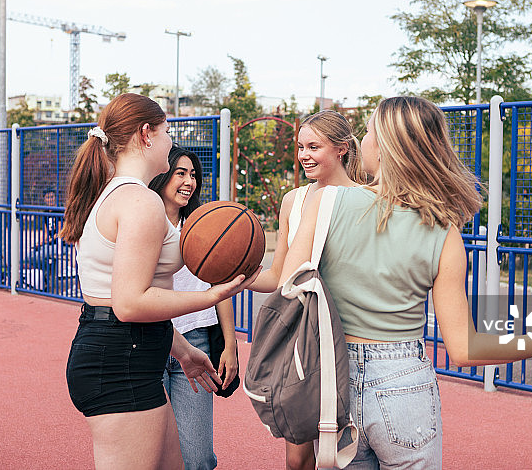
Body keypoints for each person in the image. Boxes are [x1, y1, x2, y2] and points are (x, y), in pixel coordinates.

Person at [278, 96, 532, 470]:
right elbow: (464, 349)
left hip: (336, 382)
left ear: (386, 145)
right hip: (404, 379)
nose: (364, 139)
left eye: (370, 130)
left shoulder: (325, 202)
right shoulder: (443, 231)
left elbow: (287, 289)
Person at [60, 93, 258, 470]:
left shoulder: (119, 193)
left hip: (127, 351)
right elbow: (130, 303)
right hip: (121, 360)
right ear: (146, 134)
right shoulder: (139, 201)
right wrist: (211, 295)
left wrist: (183, 352)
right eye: (167, 132)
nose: (170, 141)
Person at [250, 109, 366, 470]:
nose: (303, 155)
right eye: (300, 146)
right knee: (298, 453)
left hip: (351, 334)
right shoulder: (294, 201)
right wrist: (230, 274)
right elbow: (278, 277)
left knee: (344, 452)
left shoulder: (366, 200)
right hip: (306, 336)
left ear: (342, 148)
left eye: (314, 146)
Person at [148, 145, 238, 470]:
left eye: (194, 175)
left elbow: (219, 288)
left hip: (196, 341)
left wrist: (230, 344)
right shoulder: (145, 223)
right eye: (180, 173)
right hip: (151, 342)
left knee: (198, 459)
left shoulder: (203, 227)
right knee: (154, 456)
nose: (190, 181)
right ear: (162, 176)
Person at [24, 188, 61, 272]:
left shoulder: (59, 211)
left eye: (52, 197)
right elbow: (45, 233)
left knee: (38, 256)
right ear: (44, 199)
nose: (50, 199)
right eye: (48, 197)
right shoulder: (45, 212)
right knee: (29, 255)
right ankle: (46, 273)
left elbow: (60, 232)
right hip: (48, 244)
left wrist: (46, 241)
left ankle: (48, 273)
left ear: (55, 198)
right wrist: (39, 243)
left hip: (59, 245)